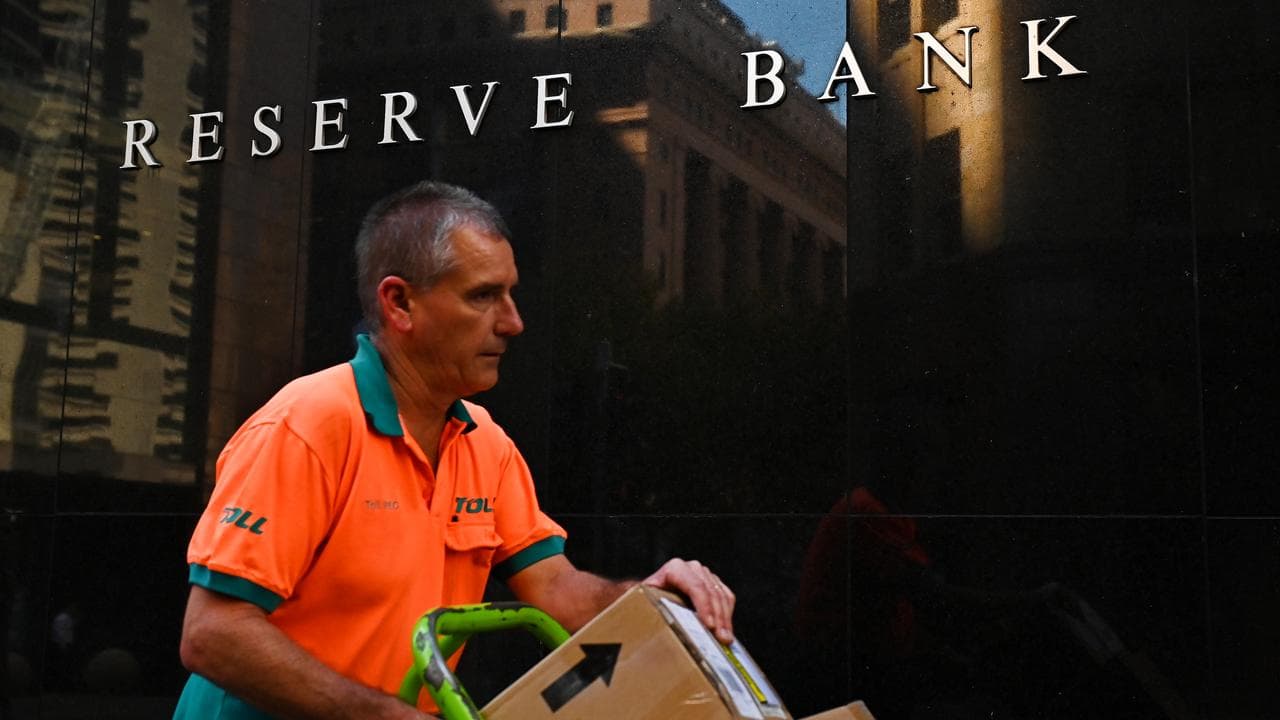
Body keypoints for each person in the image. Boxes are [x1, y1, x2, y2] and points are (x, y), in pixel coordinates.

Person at [174, 182, 735, 720]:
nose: (513, 322)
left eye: (511, 293)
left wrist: (652, 597)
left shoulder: (486, 443)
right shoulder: (306, 425)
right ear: (399, 303)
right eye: (483, 296)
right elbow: (212, 634)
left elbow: (553, 588)